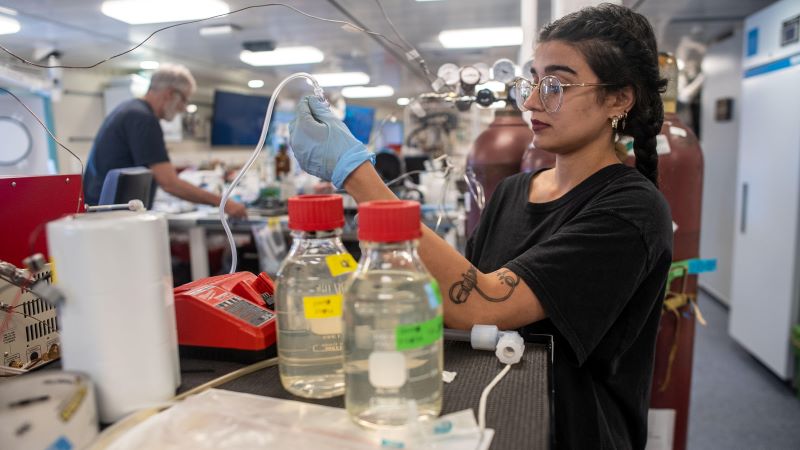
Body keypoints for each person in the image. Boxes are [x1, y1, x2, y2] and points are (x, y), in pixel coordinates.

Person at [289, 4, 672, 448]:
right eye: (532, 81)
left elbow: (480, 305)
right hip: (491, 405)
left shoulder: (632, 210)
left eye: (557, 85)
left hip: (570, 428)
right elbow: (455, 303)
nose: (530, 101)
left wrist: (359, 177)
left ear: (619, 98)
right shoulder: (513, 191)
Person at [83, 63, 247, 218]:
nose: (183, 108)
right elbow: (169, 182)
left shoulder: (130, 110)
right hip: (111, 218)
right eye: (184, 100)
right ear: (170, 94)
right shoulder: (142, 118)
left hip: (108, 214)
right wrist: (223, 203)